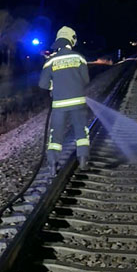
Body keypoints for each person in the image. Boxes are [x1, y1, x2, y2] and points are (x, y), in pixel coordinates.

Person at [39, 26, 90, 174]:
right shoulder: (79, 58)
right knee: (81, 131)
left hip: (59, 104)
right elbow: (85, 80)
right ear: (71, 40)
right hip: (78, 102)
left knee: (56, 135)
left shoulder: (50, 62)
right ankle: (83, 161)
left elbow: (43, 84)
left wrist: (53, 85)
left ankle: (53, 165)